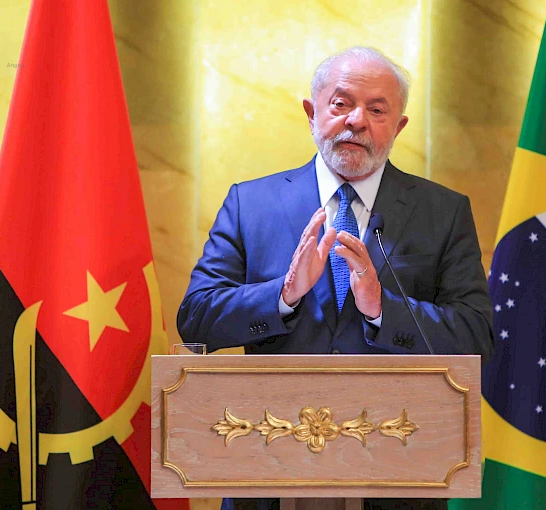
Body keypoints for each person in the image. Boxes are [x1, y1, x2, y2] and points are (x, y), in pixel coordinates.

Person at [178, 47, 494, 510]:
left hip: (398, 478)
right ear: (311, 113)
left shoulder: (442, 213)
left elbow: (478, 338)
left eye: (377, 109)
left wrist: (383, 309)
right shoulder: (252, 204)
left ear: (399, 126)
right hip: (266, 472)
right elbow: (196, 318)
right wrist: (283, 296)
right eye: (341, 104)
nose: (357, 121)